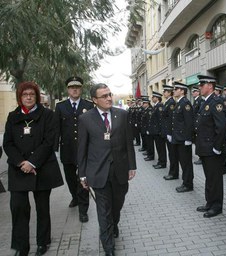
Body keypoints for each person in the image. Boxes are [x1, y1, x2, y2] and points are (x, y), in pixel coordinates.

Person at [3, 81, 64, 256]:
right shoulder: (12, 116)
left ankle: (43, 242)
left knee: (42, 207)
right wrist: (22, 163)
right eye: (25, 94)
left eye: (32, 94)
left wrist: (32, 163)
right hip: (18, 168)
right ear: (20, 97)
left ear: (37, 96)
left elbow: (49, 142)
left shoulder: (48, 115)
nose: (28, 97)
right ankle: (21, 246)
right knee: (18, 208)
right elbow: (8, 143)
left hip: (42, 167)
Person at [77, 83, 136, 256]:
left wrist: (132, 166)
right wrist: (82, 174)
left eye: (109, 94)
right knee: (103, 211)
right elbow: (82, 148)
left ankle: (114, 223)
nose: (109, 98)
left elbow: (128, 142)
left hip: (120, 170)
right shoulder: (86, 119)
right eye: (104, 96)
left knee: (116, 205)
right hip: (97, 172)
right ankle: (108, 247)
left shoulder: (122, 115)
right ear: (94, 100)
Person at [54, 76, 94, 223]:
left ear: (81, 89)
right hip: (67, 149)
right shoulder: (60, 106)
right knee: (70, 178)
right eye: (72, 87)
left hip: (85, 149)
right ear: (68, 89)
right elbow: (56, 127)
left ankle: (83, 210)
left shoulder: (89, 105)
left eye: (77, 87)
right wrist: (54, 148)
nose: (75, 89)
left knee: (83, 178)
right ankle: (74, 197)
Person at [195, 75, 226, 218]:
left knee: (215, 179)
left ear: (210, 86)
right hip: (205, 147)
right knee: (209, 178)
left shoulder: (216, 102)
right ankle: (210, 202)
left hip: (212, 149)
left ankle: (216, 206)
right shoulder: (205, 102)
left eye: (202, 85)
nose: (199, 88)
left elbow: (221, 127)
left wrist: (217, 147)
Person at [170, 81, 194, 192]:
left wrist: (189, 139)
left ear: (182, 91)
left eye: (176, 89)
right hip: (178, 138)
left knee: (186, 163)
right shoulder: (179, 103)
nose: (174, 91)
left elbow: (189, 123)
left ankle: (188, 184)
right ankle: (185, 182)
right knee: (182, 162)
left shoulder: (186, 103)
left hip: (184, 139)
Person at [161, 85, 178, 180]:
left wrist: (170, 133)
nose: (164, 93)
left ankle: (173, 173)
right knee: (171, 153)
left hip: (170, 132)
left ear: (169, 92)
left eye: (165, 91)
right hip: (167, 132)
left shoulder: (171, 103)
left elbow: (171, 119)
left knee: (172, 154)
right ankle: (172, 172)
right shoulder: (167, 102)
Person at [148, 92, 167, 169]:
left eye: (153, 97)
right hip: (155, 131)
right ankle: (160, 161)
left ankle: (162, 163)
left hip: (159, 132)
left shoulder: (159, 106)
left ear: (157, 98)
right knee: (158, 148)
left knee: (161, 148)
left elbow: (161, 120)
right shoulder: (155, 106)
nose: (152, 98)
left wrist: (160, 131)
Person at [192, 86, 204, 166]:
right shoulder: (195, 101)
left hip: (198, 124)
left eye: (194, 91)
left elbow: (200, 113)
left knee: (199, 141)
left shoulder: (200, 100)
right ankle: (200, 156)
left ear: (198, 92)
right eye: (192, 92)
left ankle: (201, 157)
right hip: (195, 124)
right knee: (196, 141)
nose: (192, 93)